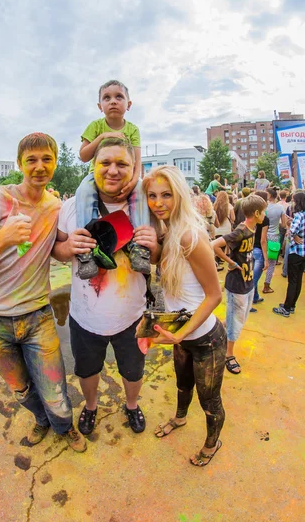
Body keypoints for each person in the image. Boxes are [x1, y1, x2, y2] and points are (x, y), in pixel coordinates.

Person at [0, 133, 86, 452]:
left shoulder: (55, 207)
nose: (39, 166)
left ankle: (64, 426)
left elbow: (56, 250)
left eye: (47, 159)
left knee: (54, 387)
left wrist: (70, 247)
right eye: (31, 160)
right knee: (20, 389)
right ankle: (41, 420)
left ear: (55, 163)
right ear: (20, 163)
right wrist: (3, 238)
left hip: (37, 316)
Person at [53, 137, 159, 437]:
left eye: (122, 164)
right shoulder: (72, 206)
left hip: (133, 317)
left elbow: (165, 254)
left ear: (133, 168)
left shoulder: (148, 206)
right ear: (93, 166)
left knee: (134, 371)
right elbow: (57, 250)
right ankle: (89, 406)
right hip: (85, 317)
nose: (113, 170)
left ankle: (132, 403)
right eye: (105, 163)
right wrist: (68, 247)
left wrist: (156, 247)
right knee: (87, 371)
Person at [139, 165, 224, 467]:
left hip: (206, 340)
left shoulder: (189, 236)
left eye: (166, 195)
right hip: (182, 334)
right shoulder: (168, 231)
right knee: (182, 385)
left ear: (179, 196)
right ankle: (180, 418)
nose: (158, 202)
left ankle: (212, 443)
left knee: (209, 400)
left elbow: (215, 296)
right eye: (152, 196)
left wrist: (180, 334)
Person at [75, 80, 151, 279]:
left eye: (119, 97)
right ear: (100, 106)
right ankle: (86, 248)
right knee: (83, 191)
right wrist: (101, 137)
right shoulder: (95, 126)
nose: (113, 102)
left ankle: (139, 246)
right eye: (106, 98)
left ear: (129, 104)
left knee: (141, 189)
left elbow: (136, 162)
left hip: (126, 176)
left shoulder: (133, 130)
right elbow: (83, 156)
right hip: (97, 176)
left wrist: (133, 183)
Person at [212, 195, 267, 374]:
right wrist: (231, 262)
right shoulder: (241, 231)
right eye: (263, 211)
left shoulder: (251, 229)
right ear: (257, 213)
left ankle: (216, 332)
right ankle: (228, 354)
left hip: (247, 281)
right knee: (236, 320)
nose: (265, 214)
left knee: (238, 317)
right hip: (237, 284)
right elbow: (214, 245)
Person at [273, 191, 305, 317]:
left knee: (292, 280)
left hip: (295, 251)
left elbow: (291, 231)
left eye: (294, 200)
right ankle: (291, 305)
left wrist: (293, 233)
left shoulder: (299, 215)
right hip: (303, 252)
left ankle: (286, 308)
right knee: (298, 281)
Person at [262, 187, 287, 293]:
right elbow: (284, 224)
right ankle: (266, 285)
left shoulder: (264, 208)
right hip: (274, 237)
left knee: (259, 260)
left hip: (263, 236)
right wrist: (277, 224)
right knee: (272, 263)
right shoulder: (280, 208)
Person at [250, 191, 269, 312]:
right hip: (257, 251)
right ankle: (248, 304)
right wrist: (266, 259)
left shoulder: (249, 215)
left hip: (249, 249)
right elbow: (263, 240)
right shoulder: (264, 219)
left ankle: (255, 297)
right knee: (253, 280)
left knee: (252, 277)